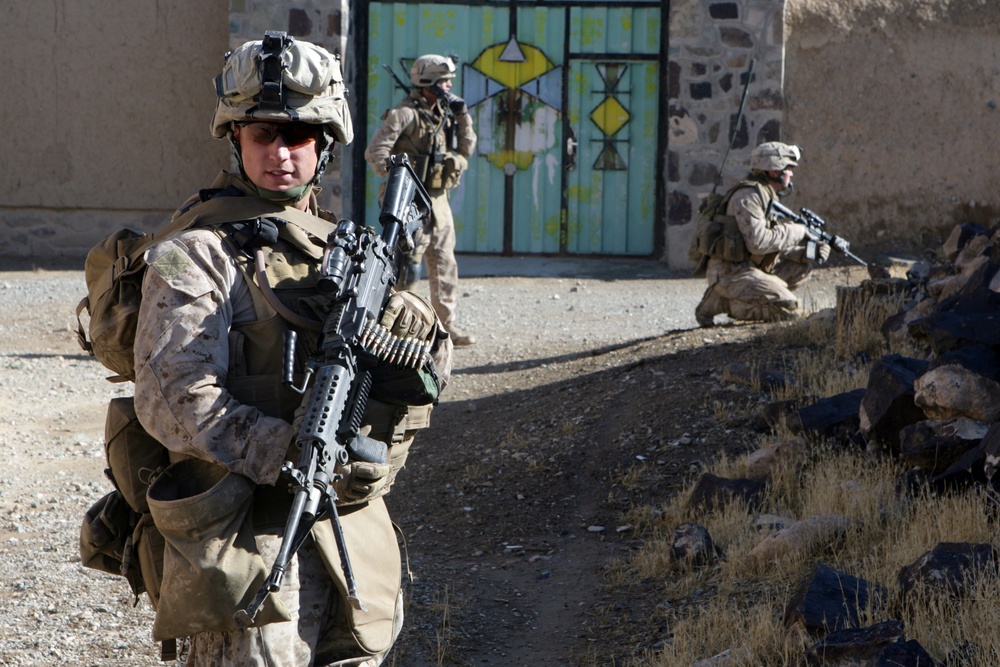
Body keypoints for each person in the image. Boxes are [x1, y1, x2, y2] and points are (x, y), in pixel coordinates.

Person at [132, 32, 452, 666]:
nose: (279, 152)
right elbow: (170, 396)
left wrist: (412, 340)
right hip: (247, 533)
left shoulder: (344, 246)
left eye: (297, 136)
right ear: (236, 140)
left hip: (348, 532)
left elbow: (425, 373)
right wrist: (284, 448)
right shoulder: (197, 251)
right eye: (262, 136)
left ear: (325, 143)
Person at [364, 54, 478, 346]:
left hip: (438, 199)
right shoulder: (404, 114)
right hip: (410, 200)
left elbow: (467, 148)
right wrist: (401, 177)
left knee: (444, 263)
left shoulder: (444, 113)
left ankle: (445, 327)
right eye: (444, 80)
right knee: (406, 265)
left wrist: (463, 115)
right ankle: (398, 327)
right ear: (429, 83)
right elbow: (375, 153)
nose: (450, 85)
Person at [690, 141, 831, 327]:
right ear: (774, 171)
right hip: (731, 272)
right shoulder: (748, 197)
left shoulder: (767, 195)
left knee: (802, 266)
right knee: (789, 309)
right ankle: (721, 301)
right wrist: (798, 231)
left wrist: (804, 252)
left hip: (751, 266)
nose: (791, 173)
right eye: (788, 168)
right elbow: (758, 243)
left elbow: (772, 244)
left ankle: (749, 296)